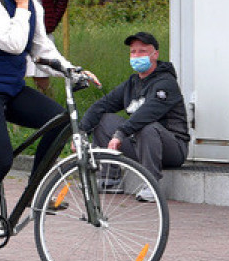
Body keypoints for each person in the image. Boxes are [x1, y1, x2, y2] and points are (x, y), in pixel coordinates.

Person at [0, 0, 99, 259]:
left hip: (10, 88)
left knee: (58, 122)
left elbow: (42, 50)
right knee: (0, 160)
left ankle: (34, 192)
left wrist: (74, 71)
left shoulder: (30, 5)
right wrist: (20, 3)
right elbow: (15, 44)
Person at [79, 32, 190, 200]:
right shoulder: (132, 83)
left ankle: (151, 186)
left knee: (147, 125)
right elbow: (102, 105)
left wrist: (120, 133)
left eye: (142, 51)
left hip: (173, 149)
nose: (137, 56)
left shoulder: (166, 83)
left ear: (155, 55)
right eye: (133, 52)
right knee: (103, 119)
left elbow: (147, 114)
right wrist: (81, 133)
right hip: (139, 144)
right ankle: (110, 179)